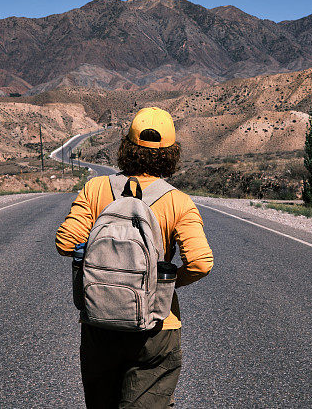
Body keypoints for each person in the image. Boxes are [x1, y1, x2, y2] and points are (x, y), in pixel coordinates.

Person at [56, 107, 214, 408]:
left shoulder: (95, 188)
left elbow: (65, 242)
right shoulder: (179, 202)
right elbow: (201, 263)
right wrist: (161, 285)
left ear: (126, 148)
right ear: (172, 154)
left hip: (100, 323)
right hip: (155, 327)